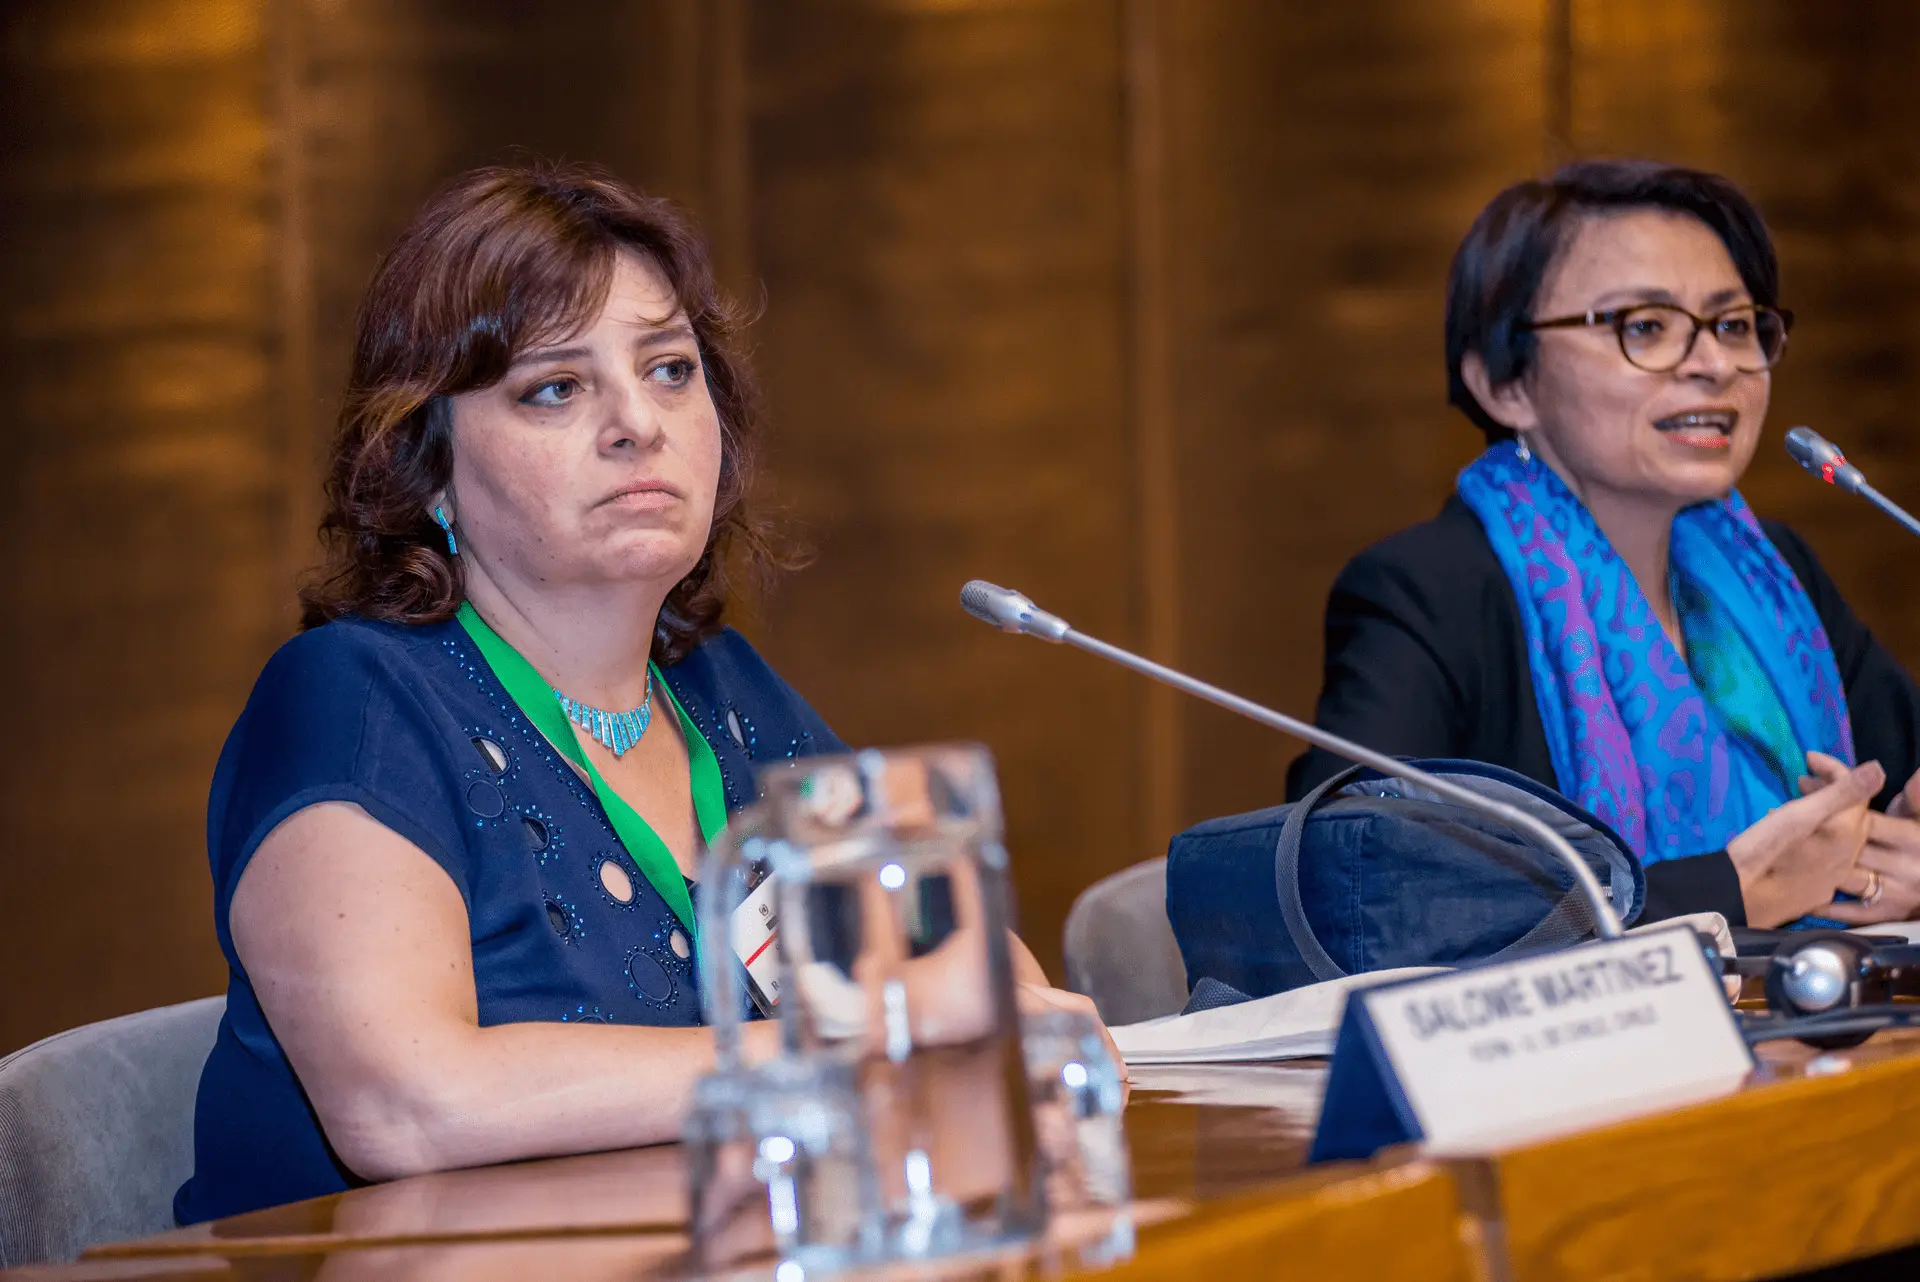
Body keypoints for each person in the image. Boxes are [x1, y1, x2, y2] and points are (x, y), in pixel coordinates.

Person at [176, 162, 1105, 1224]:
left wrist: (1014, 1011)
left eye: (669, 370)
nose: (637, 423)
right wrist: (848, 1053)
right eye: (555, 389)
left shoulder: (727, 694)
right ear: (425, 467)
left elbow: (950, 966)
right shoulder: (354, 700)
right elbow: (407, 1104)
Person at [1287, 159, 1920, 932]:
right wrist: (1725, 892)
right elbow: (1343, 889)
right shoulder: (1430, 593)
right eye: (1644, 327)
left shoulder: (1773, 575)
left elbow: (1897, 793)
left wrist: (1897, 852)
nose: (1714, 364)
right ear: (1504, 385)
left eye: (1733, 325)